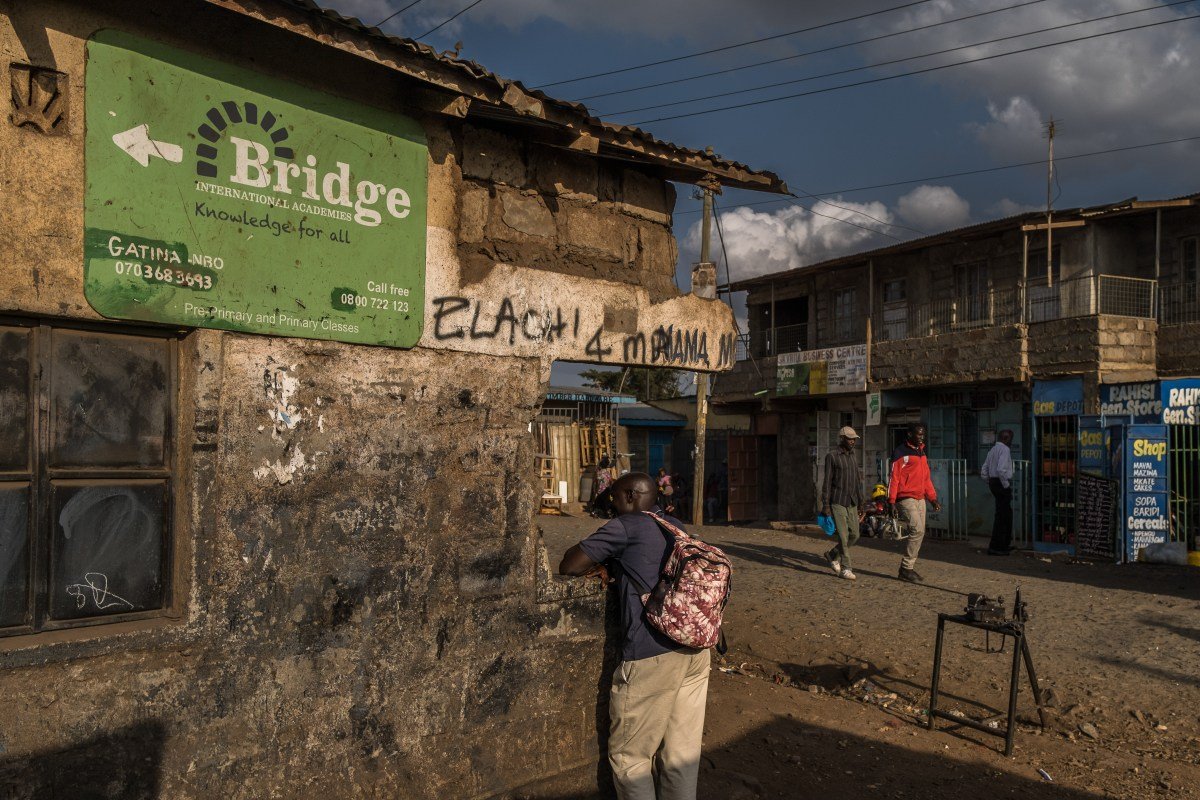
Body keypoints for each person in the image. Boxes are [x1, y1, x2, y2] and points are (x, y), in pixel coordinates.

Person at [559, 473, 710, 800]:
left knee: (631, 758)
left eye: (612, 498)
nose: (611, 505)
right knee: (681, 756)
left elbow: (569, 564)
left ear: (628, 496)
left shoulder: (626, 526)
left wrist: (605, 558)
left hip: (652, 652)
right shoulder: (675, 525)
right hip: (696, 649)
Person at [888, 423, 941, 583]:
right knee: (917, 530)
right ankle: (906, 568)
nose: (921, 437)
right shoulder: (900, 452)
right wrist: (891, 500)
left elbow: (926, 479)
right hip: (905, 498)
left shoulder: (921, 452)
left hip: (920, 498)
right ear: (910, 434)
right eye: (918, 434)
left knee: (920, 532)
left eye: (923, 434)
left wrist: (932, 498)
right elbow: (894, 478)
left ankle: (906, 569)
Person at [819, 426, 864, 581]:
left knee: (855, 535)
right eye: (849, 439)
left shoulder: (853, 456)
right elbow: (827, 482)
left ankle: (832, 554)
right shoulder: (832, 456)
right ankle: (846, 568)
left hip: (852, 501)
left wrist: (861, 502)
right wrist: (825, 505)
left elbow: (857, 481)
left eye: (854, 439)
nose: (852, 441)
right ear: (842, 438)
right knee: (843, 537)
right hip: (837, 501)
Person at [981, 429, 1015, 555]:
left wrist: (989, 482)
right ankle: (998, 546)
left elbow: (984, 470)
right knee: (1003, 516)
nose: (1011, 442)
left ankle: (1002, 544)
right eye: (1010, 439)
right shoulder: (1005, 450)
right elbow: (1001, 470)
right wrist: (1006, 485)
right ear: (1006, 439)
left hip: (994, 482)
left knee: (1002, 514)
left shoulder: (992, 450)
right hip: (1001, 483)